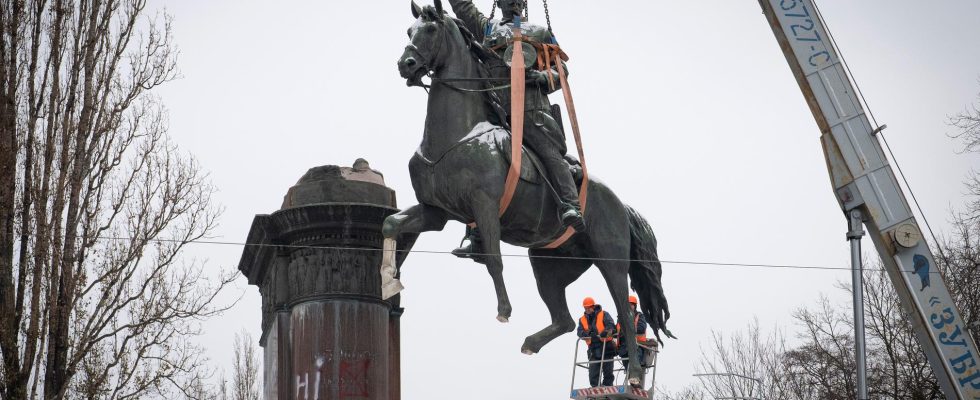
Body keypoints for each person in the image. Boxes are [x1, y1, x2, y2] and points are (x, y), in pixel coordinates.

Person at [448, 0, 585, 261]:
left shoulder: (539, 32)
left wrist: (543, 77)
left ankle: (571, 205)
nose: (511, 2)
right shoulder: (488, 29)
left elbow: (562, 69)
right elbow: (463, 7)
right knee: (474, 167)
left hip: (532, 111)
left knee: (547, 153)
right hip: (495, 113)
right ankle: (477, 236)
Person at [576, 296, 616, 387]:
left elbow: (611, 326)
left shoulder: (604, 314)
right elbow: (579, 331)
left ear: (593, 306)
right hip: (593, 348)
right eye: (585, 308)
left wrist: (605, 332)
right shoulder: (582, 319)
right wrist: (586, 334)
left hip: (606, 346)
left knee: (608, 369)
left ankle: (607, 386)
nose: (587, 309)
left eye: (589, 307)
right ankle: (595, 387)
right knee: (593, 371)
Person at [617, 295, 649, 371]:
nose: (629, 306)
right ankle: (633, 382)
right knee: (628, 370)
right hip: (624, 348)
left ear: (635, 306)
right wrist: (609, 332)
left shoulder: (639, 316)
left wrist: (629, 330)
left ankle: (636, 381)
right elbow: (617, 330)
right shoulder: (621, 318)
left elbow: (641, 328)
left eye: (631, 304)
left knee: (634, 370)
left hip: (636, 346)